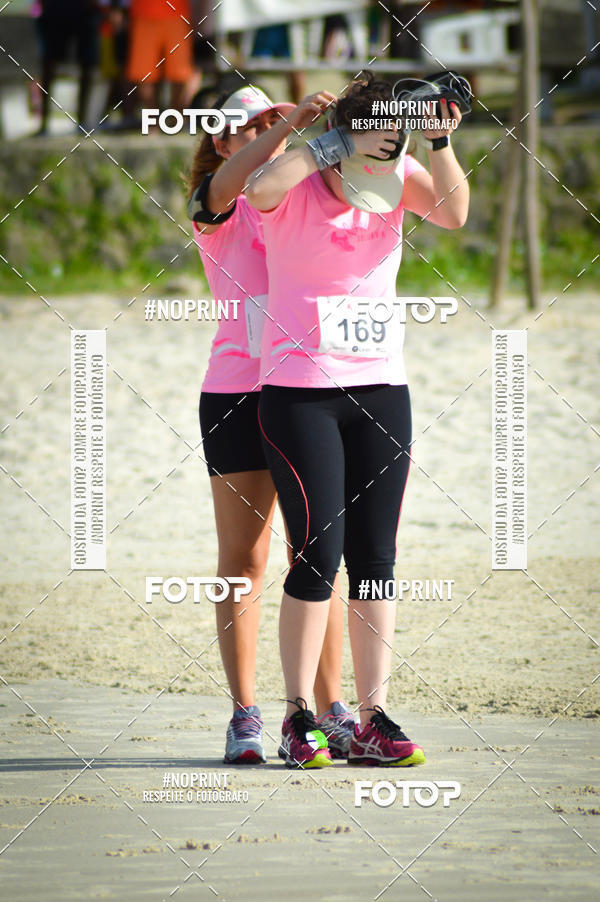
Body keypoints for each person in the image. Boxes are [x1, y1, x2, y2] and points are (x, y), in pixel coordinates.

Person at [246, 73, 469, 768]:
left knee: (377, 561)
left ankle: (373, 716)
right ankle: (298, 718)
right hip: (300, 392)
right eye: (369, 151)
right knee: (319, 554)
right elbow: (257, 189)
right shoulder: (301, 185)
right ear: (342, 145)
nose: (381, 166)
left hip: (382, 390)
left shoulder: (398, 172)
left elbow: (455, 212)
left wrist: (435, 141)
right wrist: (334, 142)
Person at [187, 86, 355, 765]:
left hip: (305, 391)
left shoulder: (304, 190)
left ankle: (332, 708)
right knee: (244, 560)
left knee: (315, 554)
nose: (265, 131)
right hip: (233, 394)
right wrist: (287, 120)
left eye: (269, 119)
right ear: (222, 141)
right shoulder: (218, 202)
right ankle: (244, 715)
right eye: (247, 126)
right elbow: (228, 185)